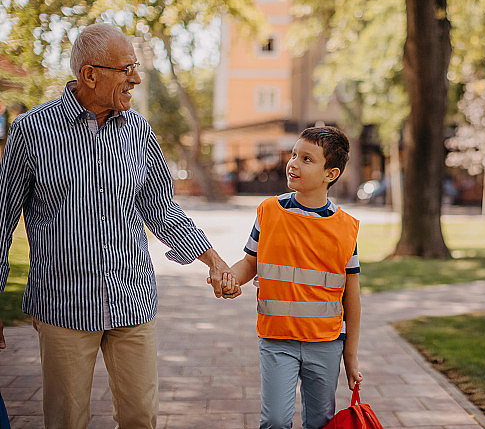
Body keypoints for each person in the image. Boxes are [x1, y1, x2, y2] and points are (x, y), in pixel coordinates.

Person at [0, 23, 234, 429]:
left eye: (136, 67)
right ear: (90, 75)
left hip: (132, 301)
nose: (136, 79)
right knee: (66, 421)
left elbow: (161, 207)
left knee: (141, 418)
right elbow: (2, 222)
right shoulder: (30, 132)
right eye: (126, 69)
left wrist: (212, 258)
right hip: (62, 305)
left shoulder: (139, 131)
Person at [223, 126, 363, 429]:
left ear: (330, 173)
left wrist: (349, 355)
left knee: (320, 421)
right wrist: (231, 277)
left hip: (325, 343)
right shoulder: (268, 212)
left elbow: (352, 294)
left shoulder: (346, 228)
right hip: (276, 339)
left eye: (307, 159)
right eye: (294, 154)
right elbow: (250, 263)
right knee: (274, 420)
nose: (294, 163)